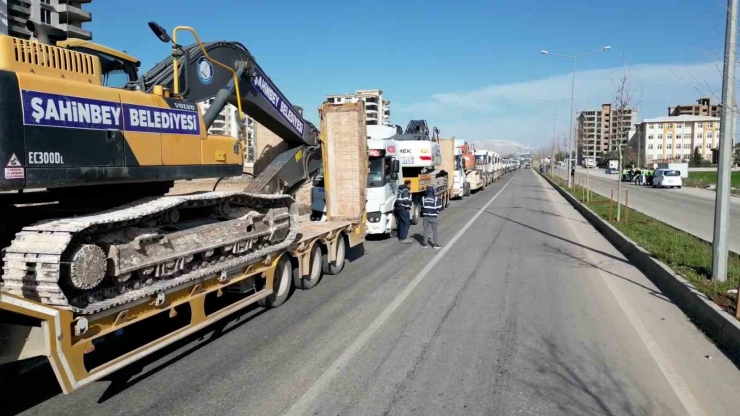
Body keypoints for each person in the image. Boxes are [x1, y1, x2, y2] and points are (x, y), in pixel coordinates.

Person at [395, 179, 413, 244]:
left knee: (402, 223)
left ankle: (401, 237)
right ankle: (403, 238)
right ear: (408, 184)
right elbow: (405, 200)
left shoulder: (402, 190)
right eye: (410, 184)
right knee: (407, 223)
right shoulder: (405, 191)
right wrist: (408, 207)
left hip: (400, 208)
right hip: (403, 209)